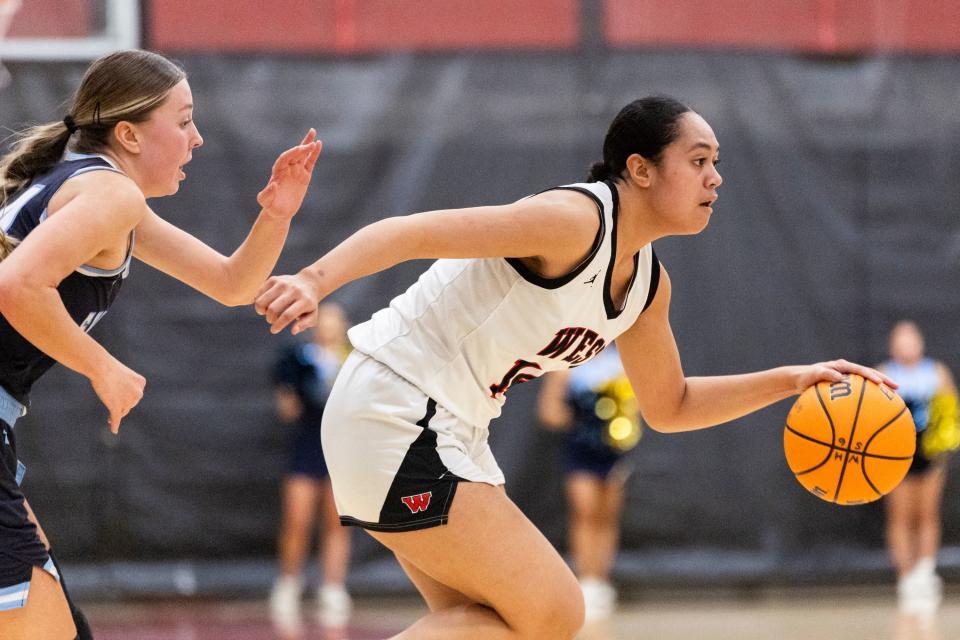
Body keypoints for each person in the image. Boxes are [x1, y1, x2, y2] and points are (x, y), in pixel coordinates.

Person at [254, 95, 895, 640]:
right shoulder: (573, 221)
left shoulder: (647, 285)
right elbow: (411, 231)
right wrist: (314, 279)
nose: (715, 178)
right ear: (640, 169)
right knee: (556, 611)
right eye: (698, 161)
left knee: (494, 624)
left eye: (717, 164)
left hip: (444, 429)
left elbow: (670, 406)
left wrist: (791, 381)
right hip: (396, 408)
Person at [0, 49, 321, 640]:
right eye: (183, 120)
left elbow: (231, 283)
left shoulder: (98, 191)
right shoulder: (109, 195)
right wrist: (104, 369)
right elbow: (16, 287)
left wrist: (277, 214)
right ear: (129, 134)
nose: (197, 139)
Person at [537, 343, 639, 622]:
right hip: (580, 451)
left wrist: (618, 417)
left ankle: (601, 581)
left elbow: (635, 406)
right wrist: (584, 418)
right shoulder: (567, 364)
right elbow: (549, 411)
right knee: (586, 512)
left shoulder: (622, 361)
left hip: (613, 450)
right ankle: (587, 581)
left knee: (608, 515)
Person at [269, 302, 353, 633]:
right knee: (297, 519)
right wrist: (294, 392)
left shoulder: (354, 360)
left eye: (335, 320)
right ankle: (288, 584)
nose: (328, 326)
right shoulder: (298, 359)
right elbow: (287, 408)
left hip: (343, 450)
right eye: (323, 320)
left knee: (337, 522)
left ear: (344, 325)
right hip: (306, 446)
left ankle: (332, 588)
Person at [879, 321, 957, 614]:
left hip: (929, 455)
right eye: (900, 340)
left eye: (911, 339)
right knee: (900, 518)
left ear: (920, 343)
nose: (906, 345)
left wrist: (941, 449)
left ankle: (925, 573)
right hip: (896, 456)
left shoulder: (936, 372)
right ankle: (906, 578)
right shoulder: (885, 374)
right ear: (892, 345)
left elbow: (949, 413)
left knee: (927, 515)